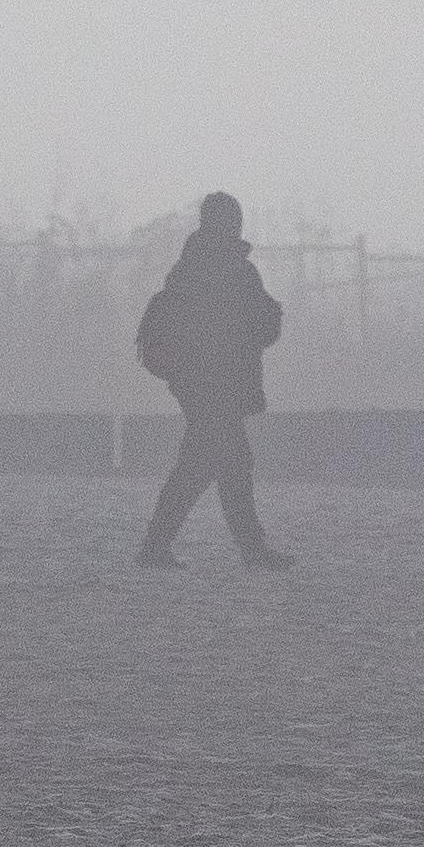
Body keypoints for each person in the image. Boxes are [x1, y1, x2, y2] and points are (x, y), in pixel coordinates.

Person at [136, 190, 292, 568]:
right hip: (218, 385)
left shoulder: (189, 268)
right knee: (226, 462)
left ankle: (159, 546)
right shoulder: (235, 270)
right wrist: (271, 314)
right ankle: (249, 550)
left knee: (208, 463)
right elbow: (261, 329)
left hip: (197, 384)